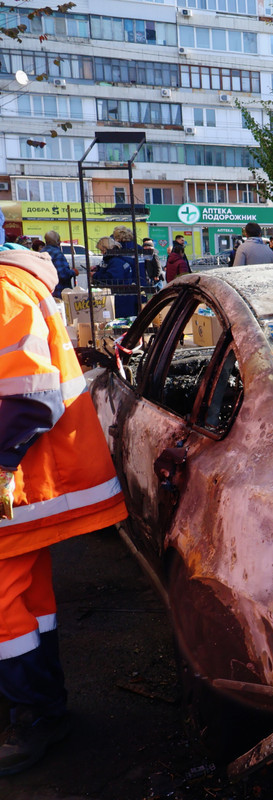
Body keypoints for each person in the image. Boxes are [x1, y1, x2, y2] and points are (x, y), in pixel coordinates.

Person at [0, 247, 128, 775]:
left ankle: (33, 716)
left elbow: (28, 394)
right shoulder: (14, 284)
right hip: (32, 484)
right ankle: (40, 709)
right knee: (27, 600)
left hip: (21, 482)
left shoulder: (5, 290)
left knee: (6, 612)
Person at [92, 228, 142, 318]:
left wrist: (95, 275)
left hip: (122, 295)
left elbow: (112, 278)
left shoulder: (117, 259)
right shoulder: (136, 248)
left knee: (124, 318)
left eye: (102, 250)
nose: (101, 253)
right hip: (134, 288)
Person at [41, 231, 74, 298]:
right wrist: (73, 272)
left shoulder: (41, 252)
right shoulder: (57, 253)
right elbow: (63, 274)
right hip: (59, 291)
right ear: (57, 241)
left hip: (46, 291)